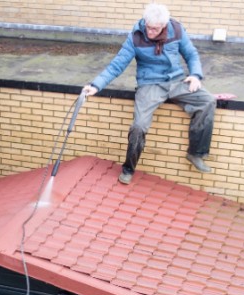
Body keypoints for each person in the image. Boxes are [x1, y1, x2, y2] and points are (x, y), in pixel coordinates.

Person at [82, 3, 216, 184]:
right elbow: (117, 64)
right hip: (149, 84)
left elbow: (191, 54)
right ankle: (128, 169)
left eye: (156, 29)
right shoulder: (135, 36)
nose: (151, 32)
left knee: (207, 101)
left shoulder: (176, 29)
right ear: (145, 21)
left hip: (176, 81)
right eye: (149, 27)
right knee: (139, 126)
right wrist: (96, 85)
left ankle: (196, 153)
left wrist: (195, 75)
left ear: (165, 25)